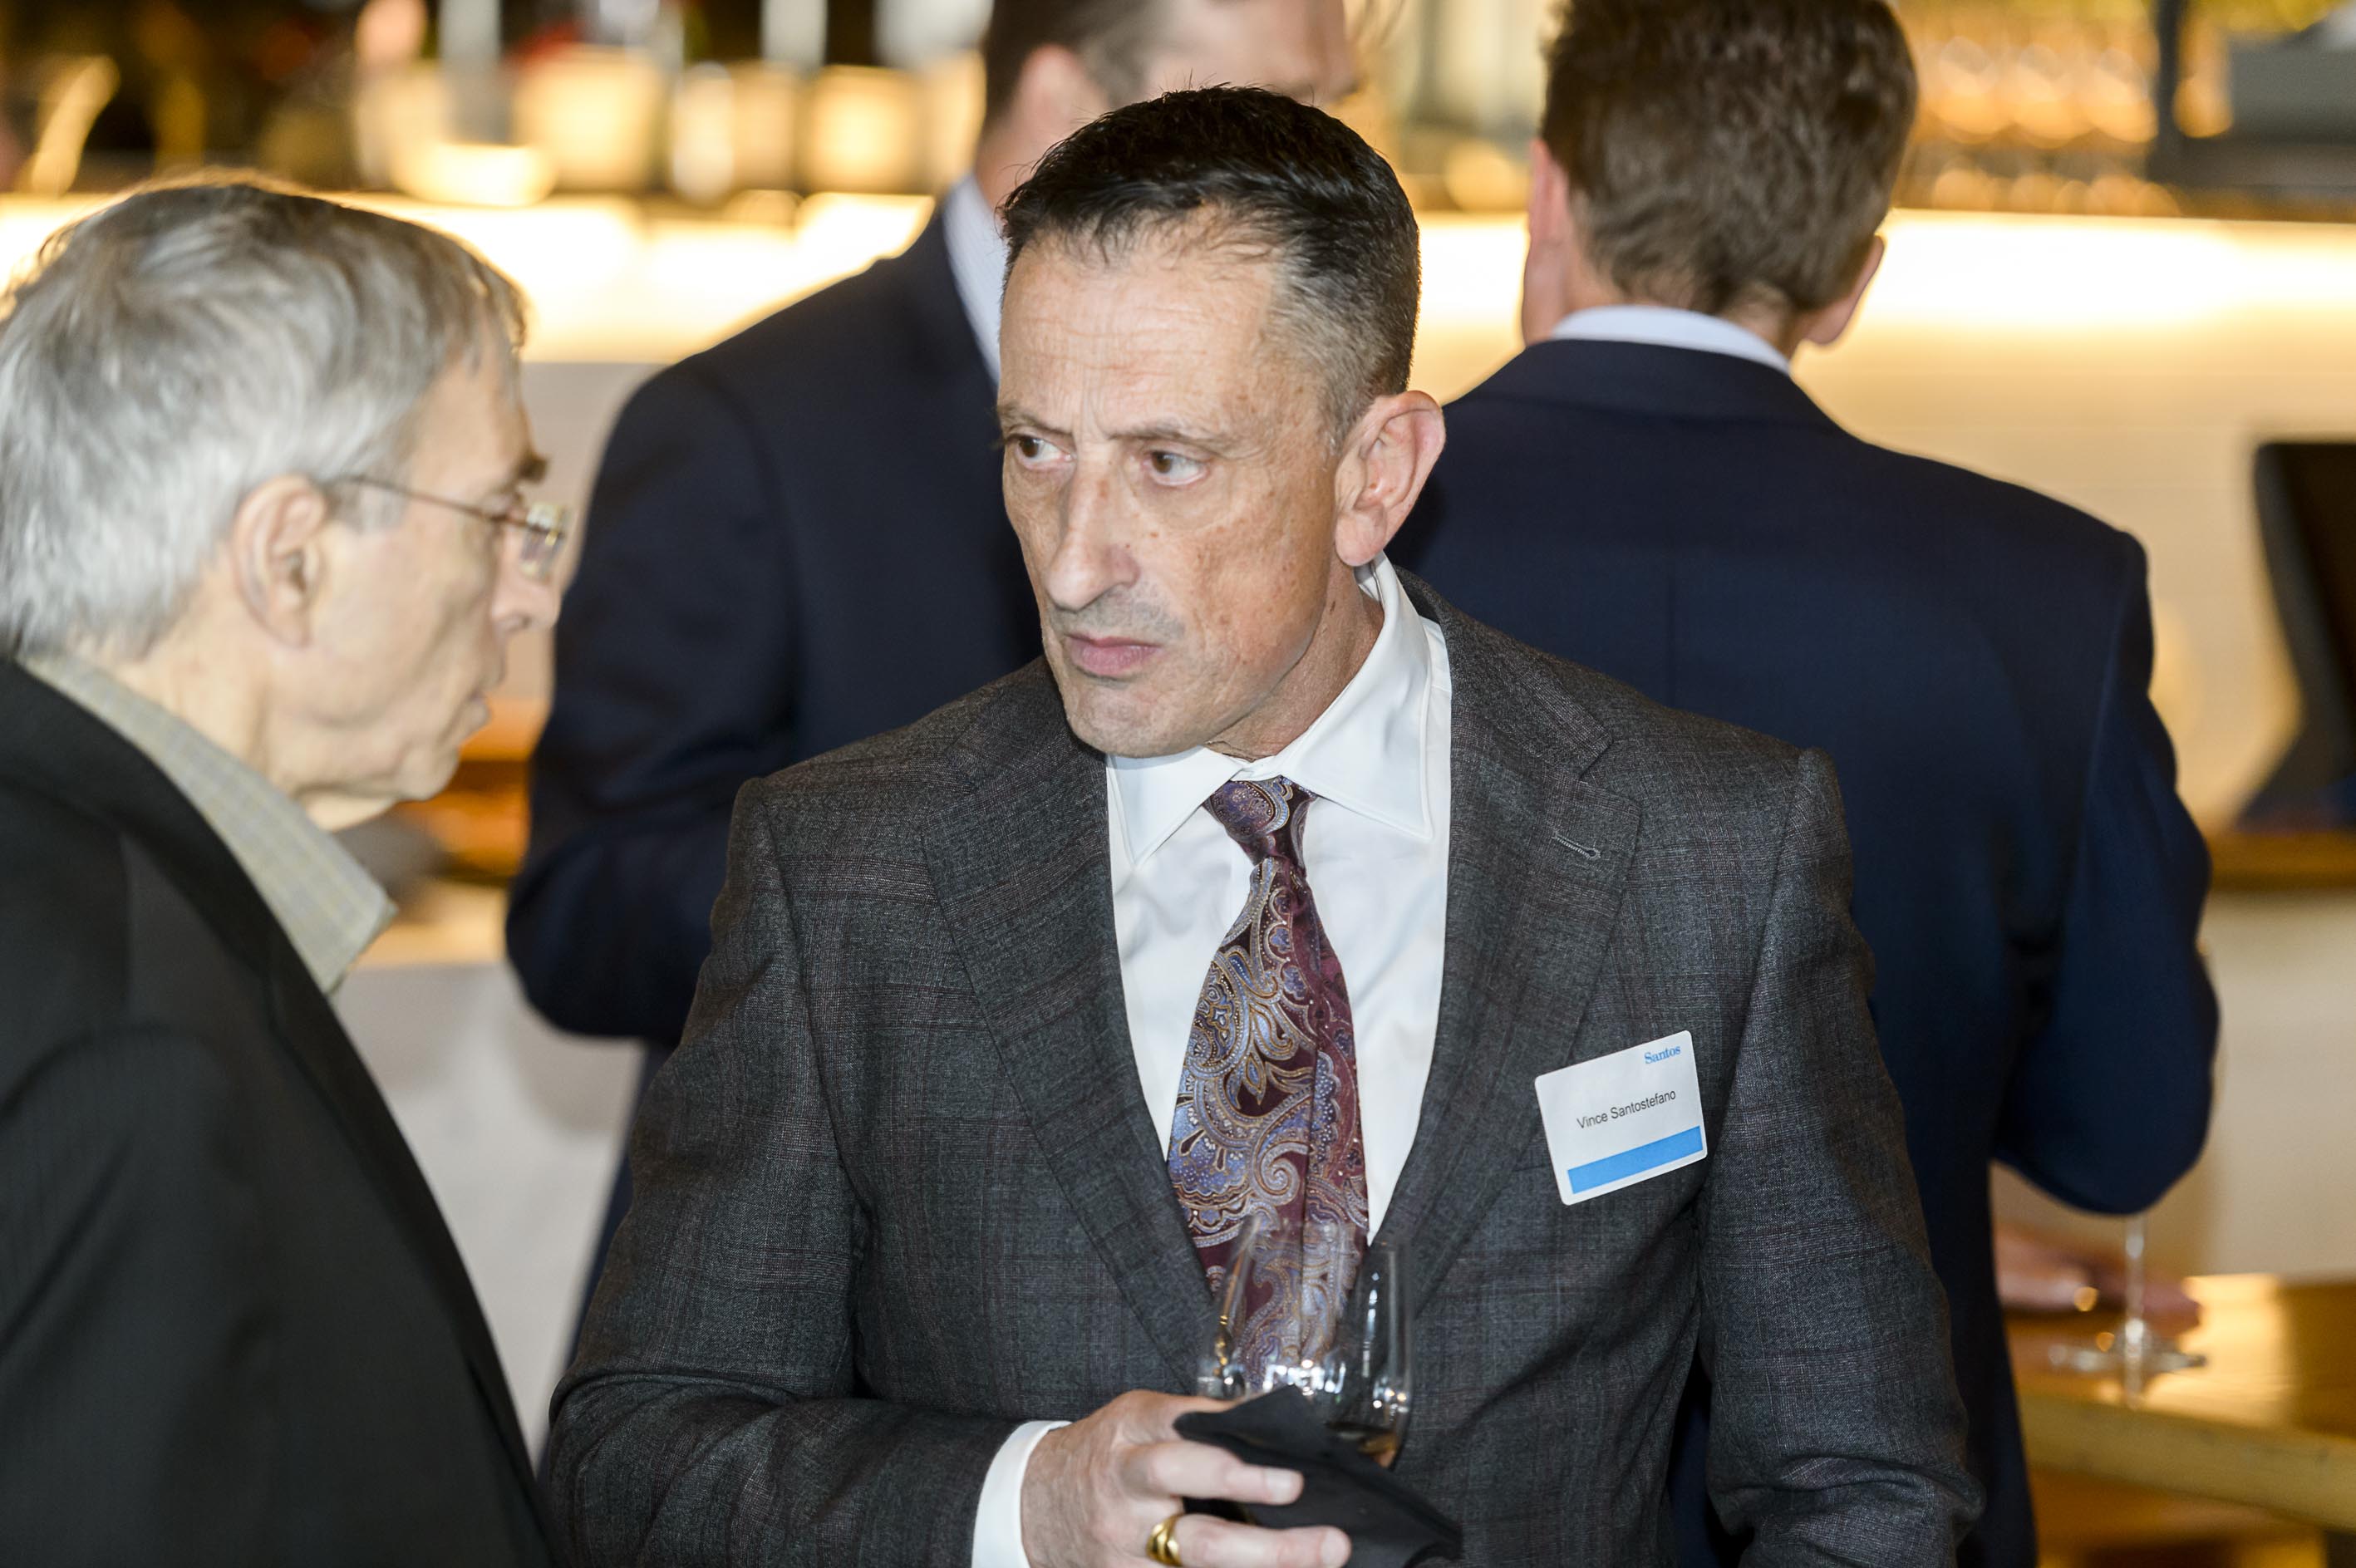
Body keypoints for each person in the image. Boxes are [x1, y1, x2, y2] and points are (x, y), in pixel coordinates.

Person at [548, 86, 1978, 1568]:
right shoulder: (851, 871)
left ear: (1376, 477)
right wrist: (1026, 1504)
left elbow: (1861, 1487)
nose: (1076, 563)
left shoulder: (1704, 854)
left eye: (1168, 463)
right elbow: (636, 1458)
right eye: (1036, 449)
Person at [1393, 3, 2219, 1564]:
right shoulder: (2045, 596)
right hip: (1890, 1493)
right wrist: (1899, 1165)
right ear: (1853, 280)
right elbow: (2126, 1132)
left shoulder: (1342, 549)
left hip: (1433, 1507)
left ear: (1550, 189)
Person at [506, 0, 1359, 1310]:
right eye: (1266, 122)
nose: (1335, 181)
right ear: (1061, 110)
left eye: (1339, 120)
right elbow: (584, 915)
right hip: (836, 1304)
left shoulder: (1321, 431)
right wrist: (943, 900)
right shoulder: (745, 428)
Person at [0, 178, 564, 1563]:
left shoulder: (82, 886)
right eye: (501, 513)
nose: (532, 588)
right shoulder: (130, 1034)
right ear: (289, 559)